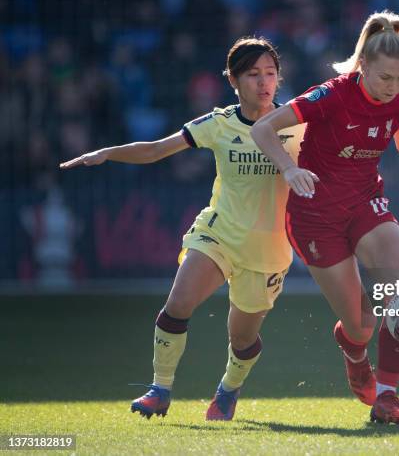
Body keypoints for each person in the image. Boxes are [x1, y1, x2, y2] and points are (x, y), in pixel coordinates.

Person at [251, 11, 399, 425]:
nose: (393, 88)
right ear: (364, 66)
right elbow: (263, 129)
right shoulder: (330, 96)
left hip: (366, 203)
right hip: (314, 216)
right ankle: (353, 346)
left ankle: (387, 398)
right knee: (361, 324)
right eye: (385, 78)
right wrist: (288, 169)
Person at [60, 37, 304, 421]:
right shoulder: (218, 124)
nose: (263, 82)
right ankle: (160, 389)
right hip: (218, 233)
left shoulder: (297, 123)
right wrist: (107, 153)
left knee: (241, 339)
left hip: (268, 250)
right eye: (253, 74)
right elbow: (157, 149)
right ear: (233, 80)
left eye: (270, 73)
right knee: (177, 306)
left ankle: (228, 389)